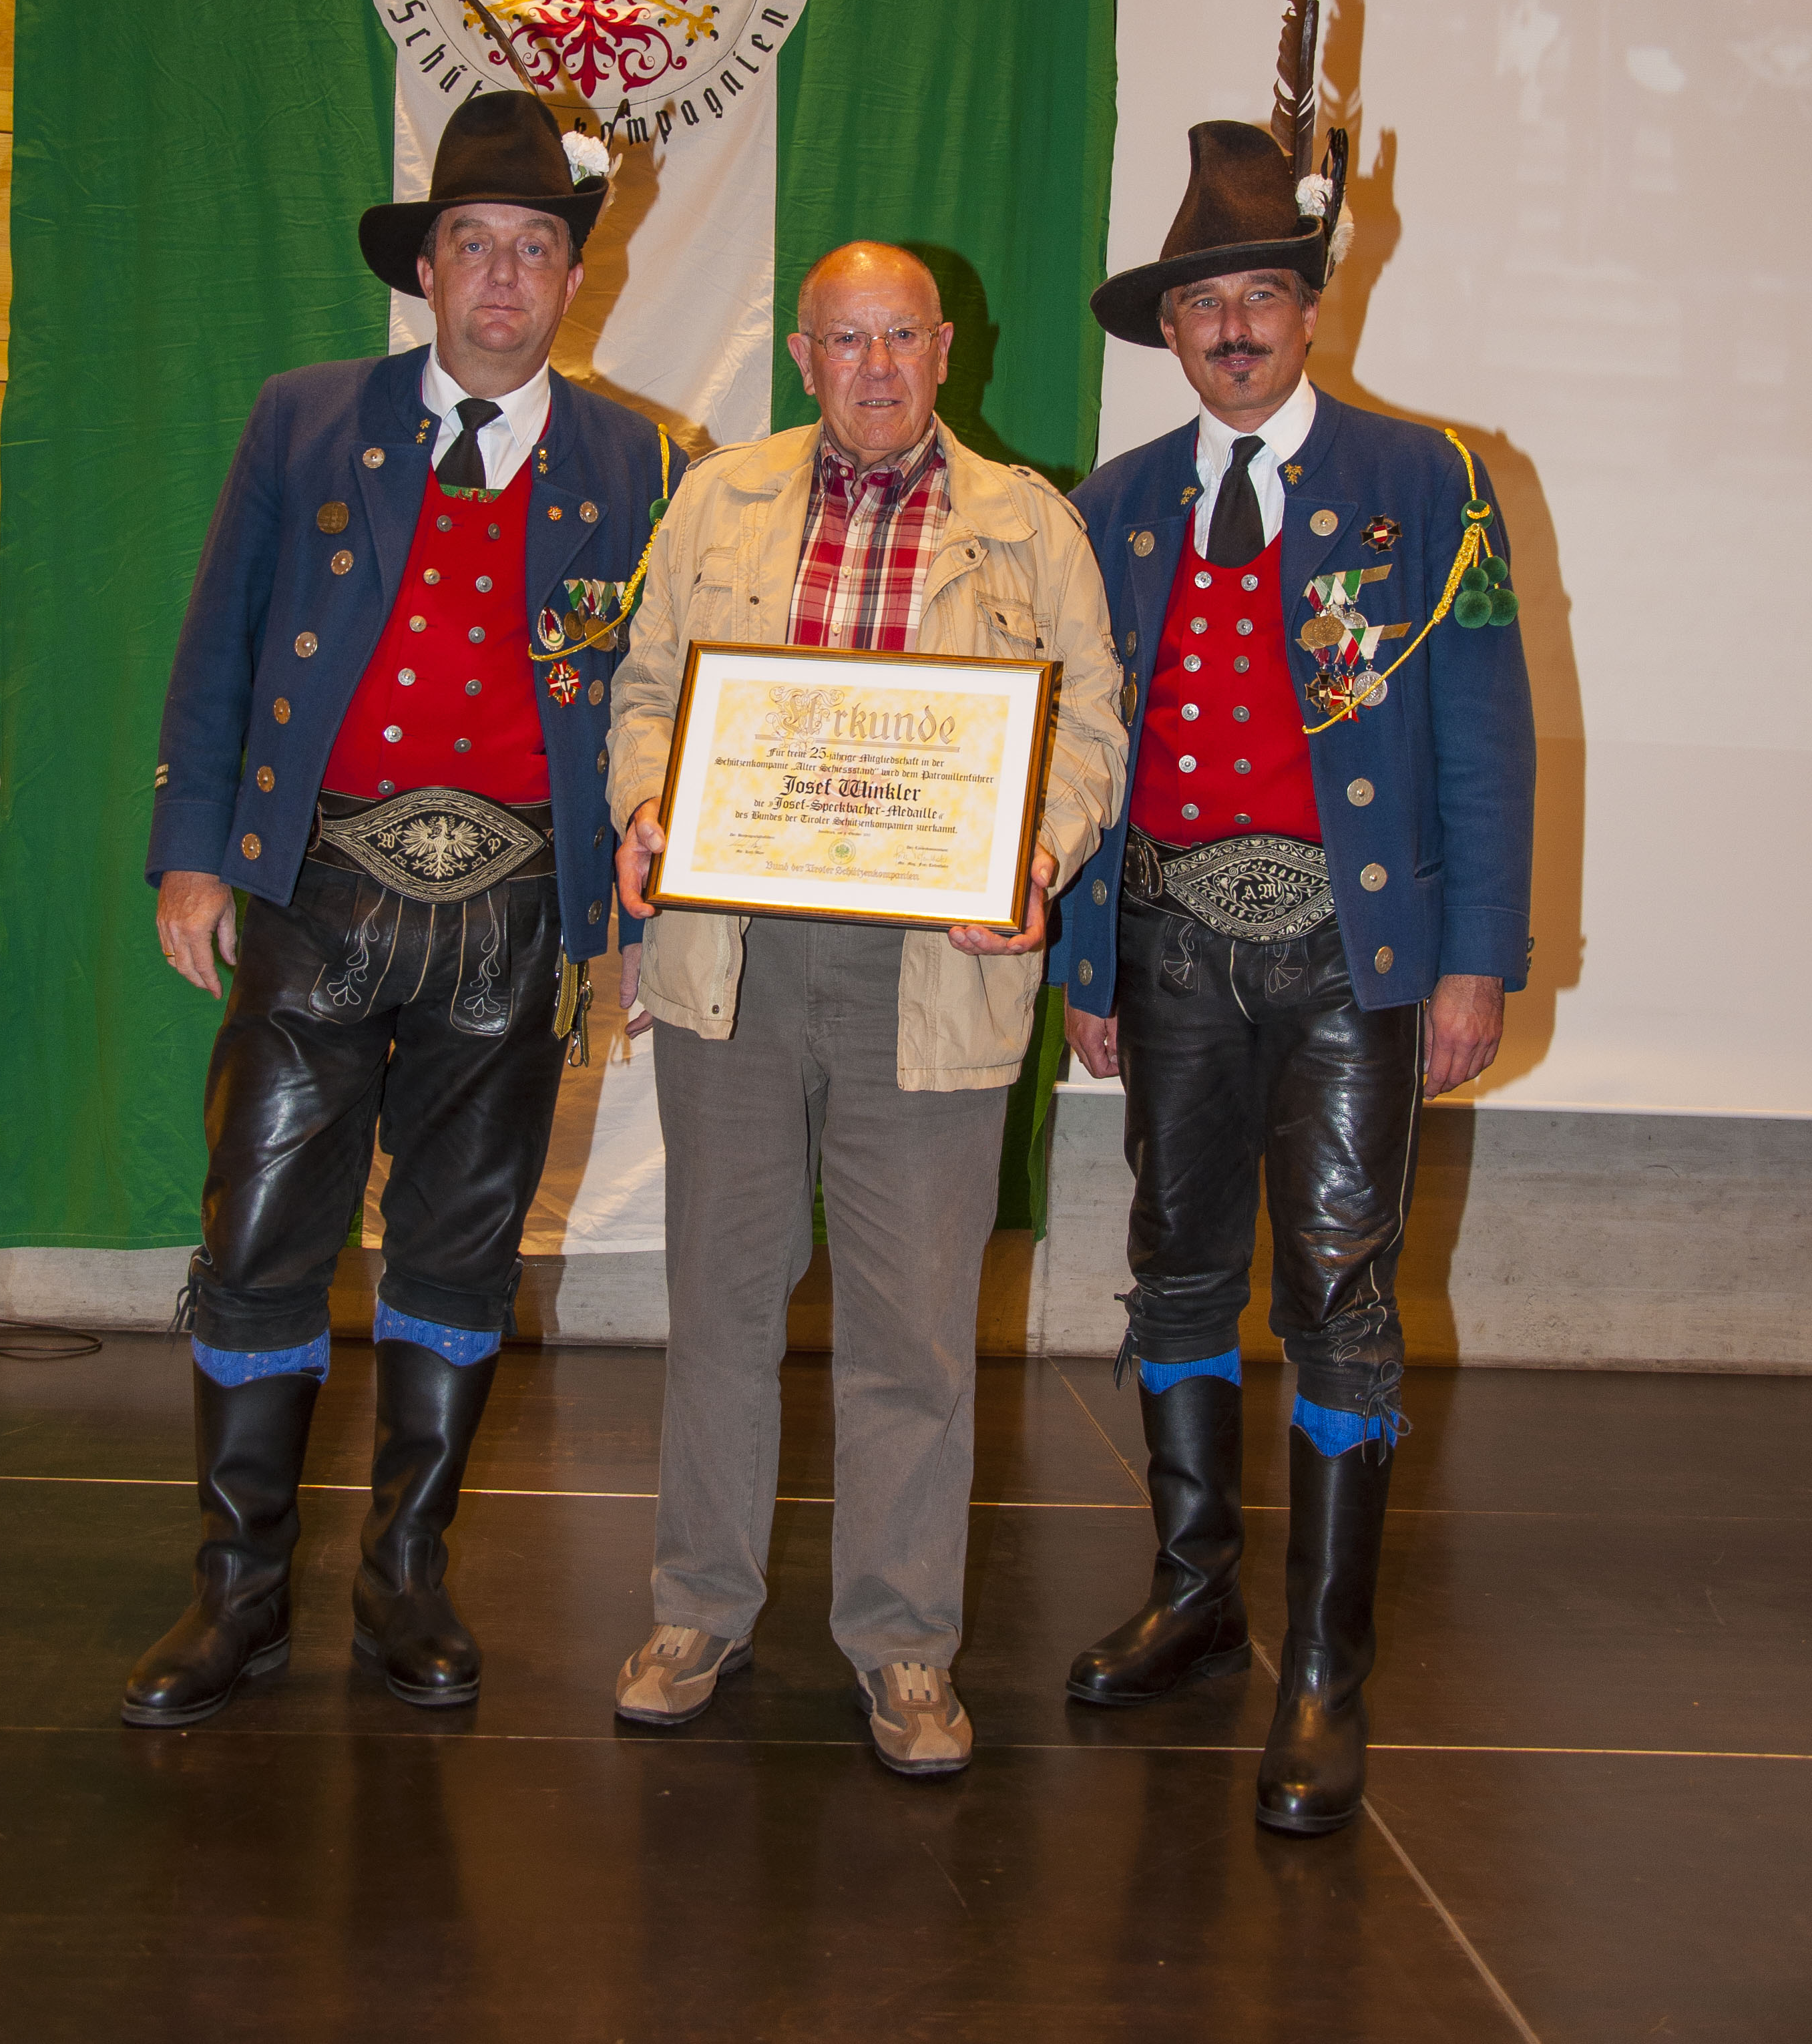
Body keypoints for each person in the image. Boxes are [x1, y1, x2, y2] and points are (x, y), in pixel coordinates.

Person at [126, 91, 680, 1729]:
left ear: (570, 275)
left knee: (460, 1239)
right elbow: (222, 637)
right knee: (260, 1232)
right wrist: (192, 845)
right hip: (318, 889)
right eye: (471, 245)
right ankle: (238, 1589)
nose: (502, 276)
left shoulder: (637, 460)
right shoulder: (305, 417)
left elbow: (657, 700)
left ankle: (404, 1575)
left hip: (515, 914)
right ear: (423, 269)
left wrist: (633, 916)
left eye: (533, 248)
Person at [1053, 120, 1534, 1834]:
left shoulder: (1428, 482)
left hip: (1351, 953)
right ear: (1169, 332)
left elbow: (1480, 737)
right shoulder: (1111, 507)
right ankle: (1194, 1595)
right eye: (1204, 304)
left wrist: (1471, 959)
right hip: (1168, 944)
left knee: (1334, 1289)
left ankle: (1324, 1664)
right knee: (1175, 1269)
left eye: (1261, 293)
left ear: (1309, 309)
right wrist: (1089, 954)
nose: (1234, 327)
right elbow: (1085, 750)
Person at [606, 243, 1126, 1776]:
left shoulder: (1029, 523)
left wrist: (1037, 851)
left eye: (901, 335)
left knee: (911, 1328)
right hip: (738, 957)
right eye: (846, 338)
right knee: (720, 1305)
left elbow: (1090, 725)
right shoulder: (716, 500)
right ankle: (694, 1611)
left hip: (935, 971)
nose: (877, 365)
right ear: (801, 352)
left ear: (945, 346)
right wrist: (645, 805)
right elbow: (644, 691)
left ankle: (904, 1643)